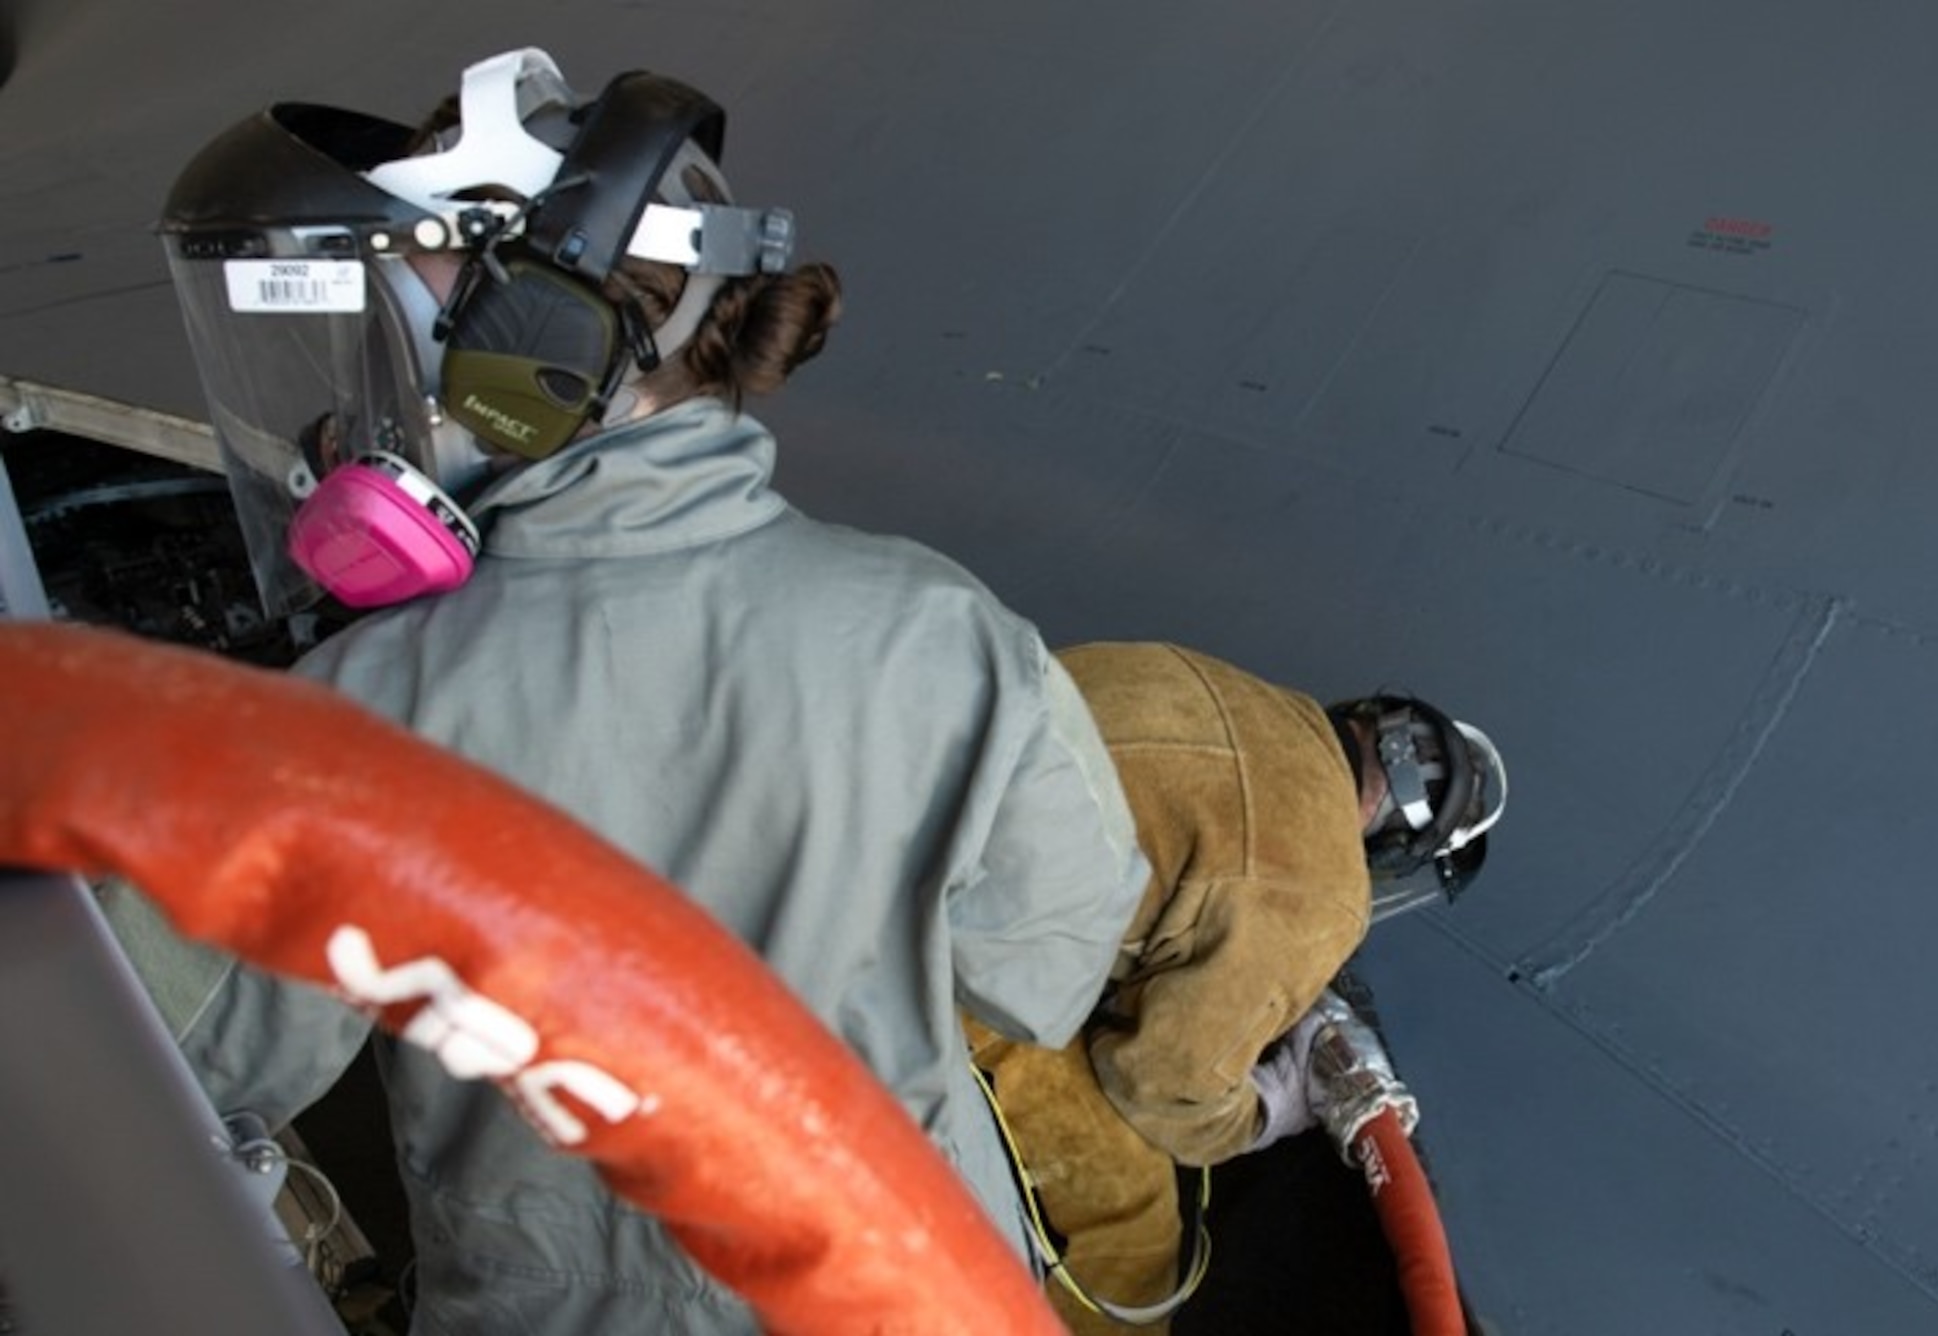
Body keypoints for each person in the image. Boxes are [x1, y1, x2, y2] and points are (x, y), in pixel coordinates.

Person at [135, 47, 1151, 1335]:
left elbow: (153, 1066)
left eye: (409, 317)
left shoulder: (355, 716)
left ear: (534, 347)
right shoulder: (942, 630)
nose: (370, 392)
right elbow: (1046, 966)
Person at [966, 640, 1507, 1335]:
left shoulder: (1214, 679)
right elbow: (1155, 1082)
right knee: (1135, 1234)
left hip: (870, 821)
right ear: (1400, 845)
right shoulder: (1324, 891)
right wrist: (1262, 1114)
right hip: (927, 950)